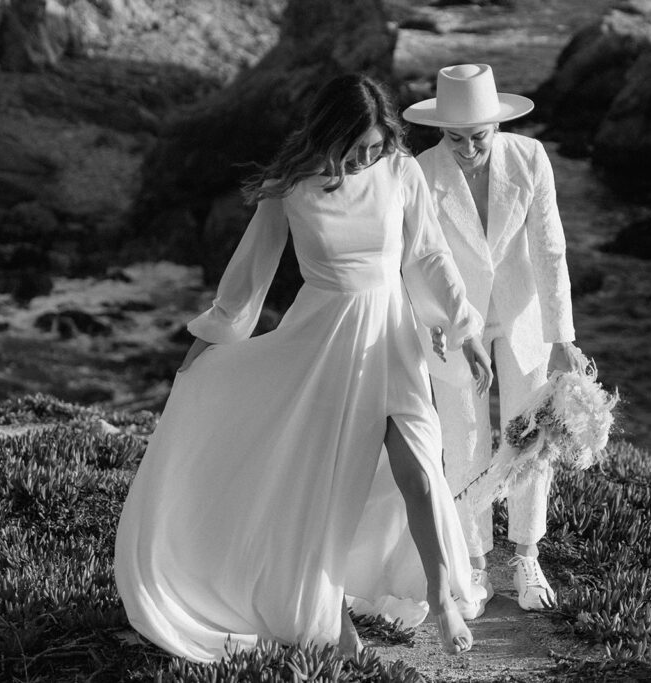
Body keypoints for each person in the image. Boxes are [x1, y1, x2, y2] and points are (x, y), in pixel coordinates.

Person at [114, 73, 494, 662]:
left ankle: (443, 597)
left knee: (419, 473)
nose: (369, 157)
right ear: (329, 134)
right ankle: (330, 611)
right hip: (323, 350)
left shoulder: (400, 171)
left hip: (391, 340)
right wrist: (206, 345)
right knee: (324, 493)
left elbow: (426, 254)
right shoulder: (288, 190)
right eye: (358, 147)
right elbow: (247, 283)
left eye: (377, 144)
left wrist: (463, 326)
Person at [403, 64, 583, 617]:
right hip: (453, 323)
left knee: (530, 437)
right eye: (454, 137)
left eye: (477, 136)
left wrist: (561, 336)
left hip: (522, 315)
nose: (466, 148)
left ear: (497, 125)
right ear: (439, 131)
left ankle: (527, 554)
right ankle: (474, 561)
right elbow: (416, 260)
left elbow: (551, 250)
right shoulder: (420, 171)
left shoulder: (531, 160)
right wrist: (434, 326)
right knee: (462, 436)